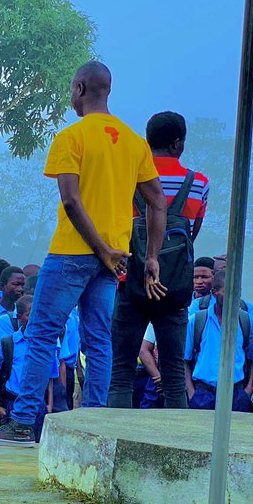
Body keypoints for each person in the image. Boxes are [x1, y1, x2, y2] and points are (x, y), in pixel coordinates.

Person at [0, 61, 166, 446]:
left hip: (72, 252)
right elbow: (157, 203)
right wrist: (151, 255)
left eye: (71, 88)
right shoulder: (135, 142)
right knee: (98, 337)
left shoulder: (72, 137)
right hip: (115, 257)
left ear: (80, 88)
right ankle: (94, 422)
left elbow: (70, 200)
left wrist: (96, 247)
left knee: (42, 332)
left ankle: (21, 423)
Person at [107, 111, 203, 410]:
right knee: (174, 371)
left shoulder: (127, 179)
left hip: (130, 282)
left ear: (147, 143)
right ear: (179, 144)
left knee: (121, 370)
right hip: (174, 288)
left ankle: (114, 442)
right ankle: (177, 448)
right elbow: (192, 234)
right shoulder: (198, 183)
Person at [0, 295, 51, 440]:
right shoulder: (8, 343)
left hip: (38, 403)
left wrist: (49, 405)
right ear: (19, 317)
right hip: (12, 403)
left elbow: (50, 377)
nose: (34, 318)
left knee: (38, 444)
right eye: (30, 314)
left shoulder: (45, 345)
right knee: (12, 443)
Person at [185, 270, 253, 412]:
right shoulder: (198, 320)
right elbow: (185, 359)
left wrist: (248, 389)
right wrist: (191, 392)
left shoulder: (248, 321)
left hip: (236, 393)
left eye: (237, 291)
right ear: (214, 292)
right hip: (203, 393)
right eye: (228, 291)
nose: (234, 296)